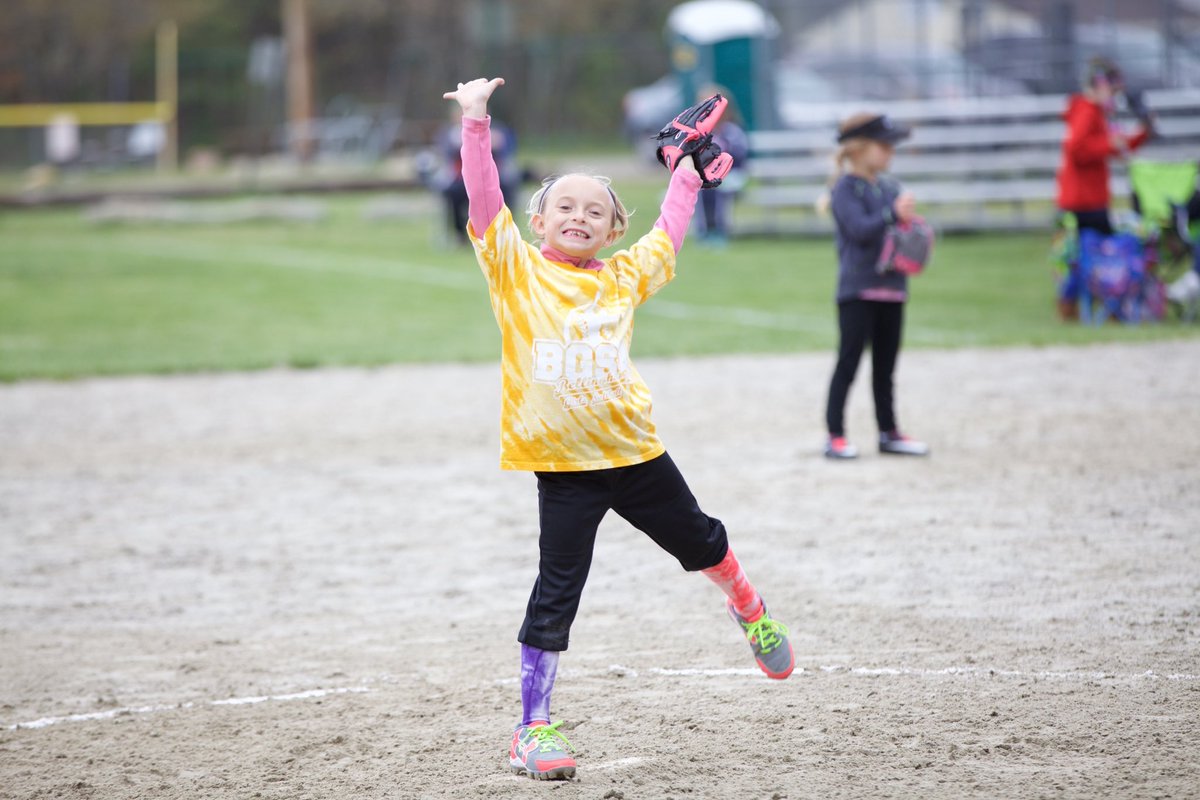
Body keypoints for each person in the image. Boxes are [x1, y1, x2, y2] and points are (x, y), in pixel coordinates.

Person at [442, 76, 794, 782]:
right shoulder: (514, 269)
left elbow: (667, 235)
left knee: (702, 541)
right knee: (556, 594)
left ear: (612, 230)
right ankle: (532, 728)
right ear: (537, 225)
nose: (578, 215)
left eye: (595, 210)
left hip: (635, 453)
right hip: (565, 468)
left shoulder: (622, 277)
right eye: (563, 206)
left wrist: (686, 179)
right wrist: (476, 120)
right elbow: (484, 199)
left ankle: (749, 606)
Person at [822, 113, 929, 460]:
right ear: (859, 148)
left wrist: (913, 231)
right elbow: (860, 230)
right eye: (883, 146)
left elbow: (896, 234)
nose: (890, 153)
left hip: (893, 289)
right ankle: (835, 434)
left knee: (886, 367)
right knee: (849, 363)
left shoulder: (890, 188)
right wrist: (892, 215)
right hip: (857, 292)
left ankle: (889, 432)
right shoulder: (844, 189)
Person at [1056, 57, 1154, 238]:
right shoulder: (1086, 111)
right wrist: (1108, 143)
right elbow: (1076, 149)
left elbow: (1116, 148)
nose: (1114, 96)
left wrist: (1143, 133)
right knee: (1091, 257)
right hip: (1082, 202)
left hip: (1093, 200)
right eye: (1112, 89)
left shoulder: (1097, 113)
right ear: (1100, 86)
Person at [435, 105, 520, 245]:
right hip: (461, 180)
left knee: (507, 187)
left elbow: (507, 150)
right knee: (453, 193)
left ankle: (505, 232)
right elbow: (447, 154)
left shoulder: (498, 130)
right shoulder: (450, 132)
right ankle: (460, 235)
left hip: (494, 178)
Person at [694, 87, 750, 246]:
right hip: (706, 177)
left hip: (732, 175)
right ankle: (704, 231)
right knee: (700, 189)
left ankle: (720, 230)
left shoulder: (732, 132)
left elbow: (739, 158)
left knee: (718, 189)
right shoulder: (698, 134)